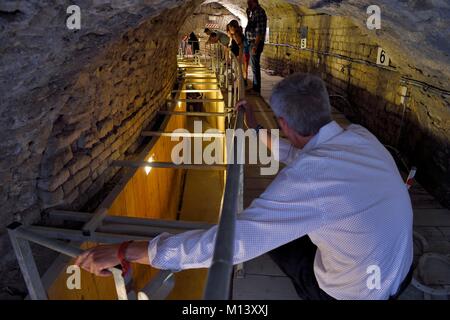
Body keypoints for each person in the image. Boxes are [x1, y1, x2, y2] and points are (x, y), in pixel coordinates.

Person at [74, 73, 414, 300]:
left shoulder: (307, 178)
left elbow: (231, 243)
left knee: (273, 243)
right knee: (290, 231)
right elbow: (308, 154)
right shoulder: (360, 137)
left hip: (356, 293)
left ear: (283, 122)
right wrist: (255, 133)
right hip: (398, 268)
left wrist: (130, 250)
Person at [245, 0, 267, 95]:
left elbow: (259, 31)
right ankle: (255, 87)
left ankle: (256, 89)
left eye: (249, 3)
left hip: (255, 43)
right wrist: (248, 14)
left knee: (255, 66)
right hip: (252, 42)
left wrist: (255, 46)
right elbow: (251, 26)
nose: (248, 5)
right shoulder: (254, 12)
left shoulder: (259, 12)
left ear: (253, 2)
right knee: (254, 66)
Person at [227, 20, 250, 86]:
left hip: (240, 55)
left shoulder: (236, 35)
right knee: (241, 70)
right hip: (239, 55)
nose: (229, 30)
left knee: (240, 70)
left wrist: (240, 58)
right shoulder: (236, 34)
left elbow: (241, 47)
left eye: (229, 28)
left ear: (232, 27)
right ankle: (242, 83)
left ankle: (241, 84)